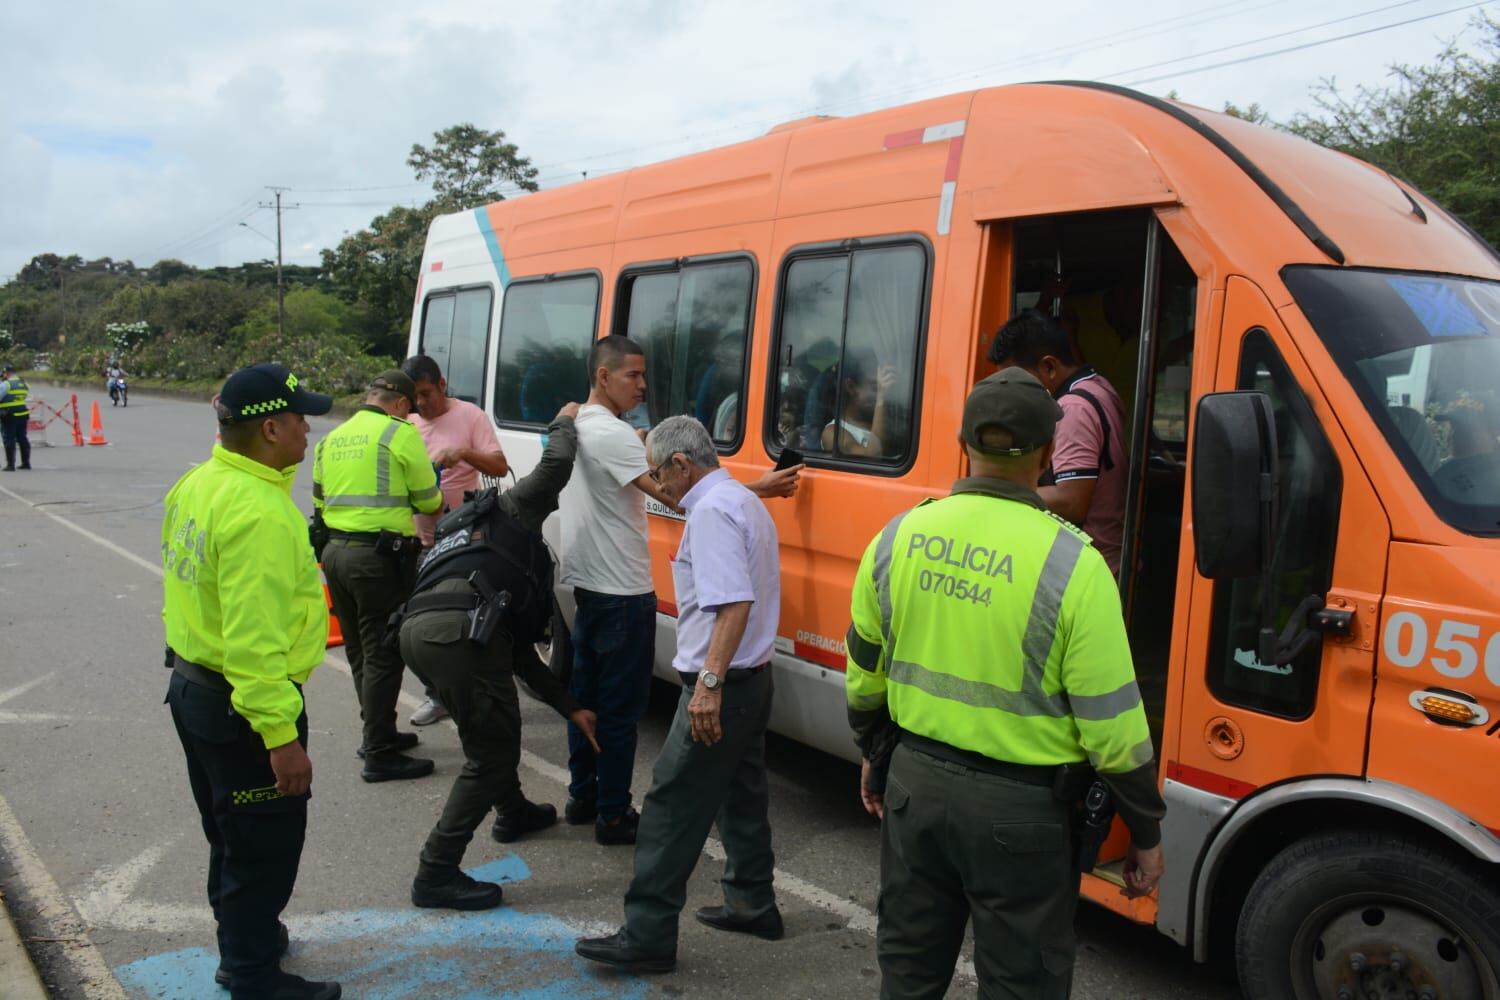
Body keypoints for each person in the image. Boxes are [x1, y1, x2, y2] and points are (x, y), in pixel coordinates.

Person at [845, 368, 1166, 999]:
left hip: (915, 787)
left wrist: (874, 752)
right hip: (1023, 817)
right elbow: (1114, 728)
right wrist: (1146, 830)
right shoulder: (1076, 564)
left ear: (964, 443)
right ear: (1048, 453)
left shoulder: (898, 536)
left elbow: (864, 673)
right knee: (1023, 984)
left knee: (908, 967)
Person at [560, 336, 802, 847]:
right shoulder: (618, 438)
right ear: (604, 377)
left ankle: (582, 795)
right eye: (633, 375)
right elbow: (675, 493)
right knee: (622, 711)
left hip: (586, 582)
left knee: (585, 698)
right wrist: (756, 488)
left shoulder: (581, 423)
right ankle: (612, 813)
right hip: (622, 590)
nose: (643, 384)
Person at [576, 415, 782, 973]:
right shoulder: (738, 499)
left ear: (681, 464)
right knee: (741, 795)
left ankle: (646, 936)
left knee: (668, 807)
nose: (657, 488)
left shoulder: (712, 512)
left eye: (657, 475)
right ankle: (752, 901)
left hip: (723, 683)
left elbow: (733, 604)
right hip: (752, 680)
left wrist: (708, 686)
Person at [161, 363, 341, 1000]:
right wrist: (280, 734)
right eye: (300, 419)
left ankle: (246, 939)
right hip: (242, 703)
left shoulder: (201, 482)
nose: (308, 429)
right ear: (271, 427)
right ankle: (252, 974)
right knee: (262, 845)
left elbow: (187, 589)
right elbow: (252, 641)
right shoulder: (260, 512)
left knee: (229, 831)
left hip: (194, 688)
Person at [398, 401, 603, 910]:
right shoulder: (514, 507)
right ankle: (436, 872)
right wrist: (565, 417)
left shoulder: (466, 533)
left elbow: (517, 655)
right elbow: (556, 465)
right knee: (490, 756)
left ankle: (514, 811)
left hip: (421, 632)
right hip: (459, 635)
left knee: (487, 725)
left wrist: (568, 705)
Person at [313, 370, 441, 782]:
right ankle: (380, 752)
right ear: (402, 404)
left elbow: (319, 498)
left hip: (335, 554)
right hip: (377, 560)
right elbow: (429, 500)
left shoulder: (332, 436)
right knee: (384, 652)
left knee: (358, 650)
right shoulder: (399, 433)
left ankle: (378, 732)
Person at [400, 353, 511, 728]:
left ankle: (476, 694)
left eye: (427, 394)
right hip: (418, 543)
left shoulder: (470, 416)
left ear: (443, 385)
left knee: (466, 622)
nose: (421, 404)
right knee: (419, 626)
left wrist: (463, 453)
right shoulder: (406, 423)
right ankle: (438, 695)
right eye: (413, 397)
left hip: (462, 542)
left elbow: (499, 465)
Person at [988, 310, 1128, 579]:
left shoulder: (1072, 408)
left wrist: (997, 489)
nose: (1012, 391)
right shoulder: (1099, 385)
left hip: (1087, 566)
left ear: (1049, 367)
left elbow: (1071, 500)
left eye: (1017, 380)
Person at [820, 352, 896, 458]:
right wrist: (881, 397)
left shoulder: (879, 421)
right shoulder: (833, 433)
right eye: (874, 387)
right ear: (851, 387)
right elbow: (872, 458)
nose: (877, 394)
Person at [0, 363, 32, 471]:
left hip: (9, 415)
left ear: (7, 373)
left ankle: (10, 465)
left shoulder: (6, 384)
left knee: (9, 439)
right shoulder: (23, 383)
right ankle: (26, 463)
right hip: (22, 414)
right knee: (22, 438)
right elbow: (25, 394)